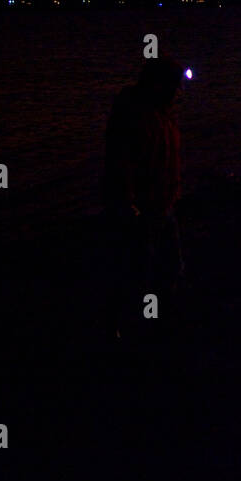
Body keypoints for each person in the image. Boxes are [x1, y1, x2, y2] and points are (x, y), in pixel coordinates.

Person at [104, 56, 186, 337]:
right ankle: (130, 327)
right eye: (174, 86)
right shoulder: (136, 116)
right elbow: (121, 163)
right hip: (143, 208)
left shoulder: (160, 113)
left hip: (163, 203)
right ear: (158, 85)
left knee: (167, 266)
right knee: (140, 270)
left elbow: (165, 157)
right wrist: (127, 203)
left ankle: (155, 319)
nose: (178, 92)